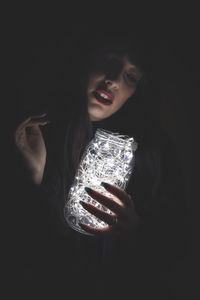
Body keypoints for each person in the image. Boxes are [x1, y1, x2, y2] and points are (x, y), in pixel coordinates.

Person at [13, 32, 188, 299]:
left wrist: (136, 233)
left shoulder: (152, 156)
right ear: (84, 58)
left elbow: (176, 258)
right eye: (109, 61)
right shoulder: (31, 132)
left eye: (131, 76)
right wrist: (30, 178)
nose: (114, 80)